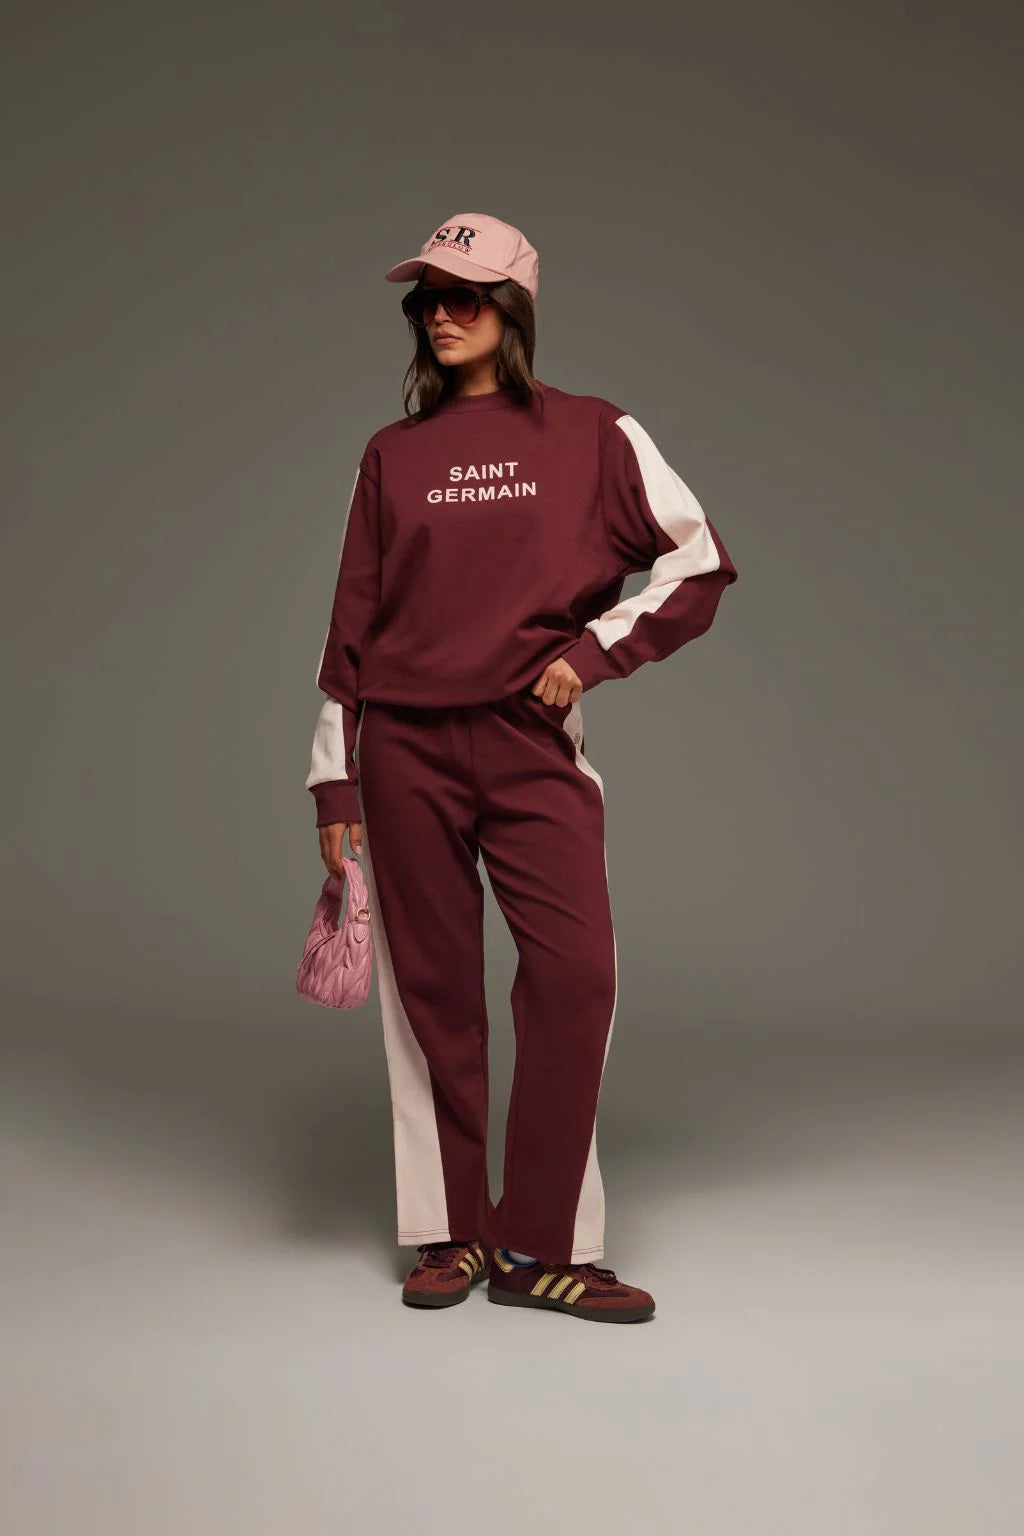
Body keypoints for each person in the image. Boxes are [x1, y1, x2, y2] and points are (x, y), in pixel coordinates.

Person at [305, 212, 738, 1324]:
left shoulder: (593, 432)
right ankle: (450, 1234)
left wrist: (591, 655)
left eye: (465, 297)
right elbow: (351, 624)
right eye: (427, 301)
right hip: (401, 747)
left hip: (527, 743)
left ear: (512, 309)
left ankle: (544, 1244)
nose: (441, 317)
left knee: (575, 976)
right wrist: (332, 781)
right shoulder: (391, 454)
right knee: (432, 994)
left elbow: (697, 563)